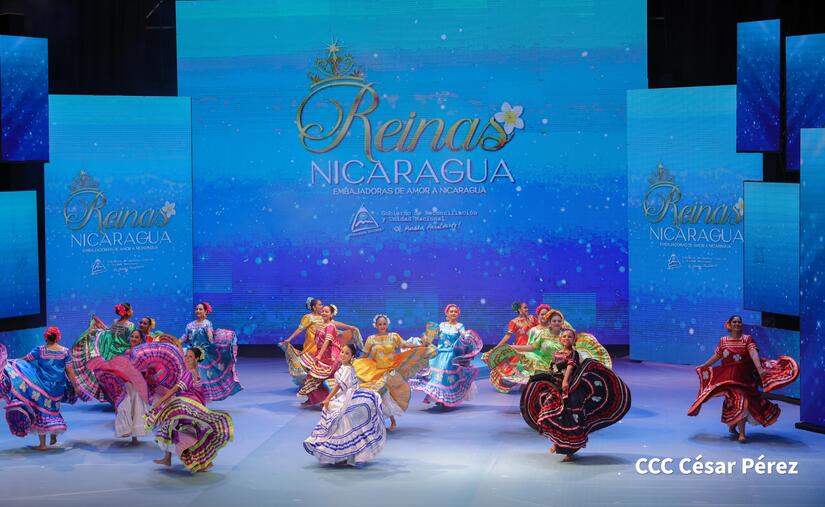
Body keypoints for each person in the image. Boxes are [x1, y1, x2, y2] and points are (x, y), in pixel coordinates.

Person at [520, 329, 631, 461]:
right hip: (556, 384)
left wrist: (566, 381)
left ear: (574, 340)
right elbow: (553, 368)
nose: (566, 338)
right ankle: (558, 442)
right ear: (560, 339)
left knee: (571, 419)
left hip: (570, 387)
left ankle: (569, 451)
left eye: (569, 337)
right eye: (564, 336)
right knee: (553, 414)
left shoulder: (574, 353)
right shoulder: (557, 353)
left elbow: (570, 367)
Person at [688, 315, 799, 442]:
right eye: (734, 322)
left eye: (739, 322)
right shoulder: (723, 341)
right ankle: (742, 434)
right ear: (730, 325)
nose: (737, 324)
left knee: (747, 402)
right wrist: (705, 365)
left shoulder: (747, 339)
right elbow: (717, 356)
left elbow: (753, 354)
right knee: (739, 401)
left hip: (745, 378)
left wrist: (759, 368)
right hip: (729, 378)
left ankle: (734, 425)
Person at [147, 347, 233, 472]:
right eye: (186, 356)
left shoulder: (190, 373)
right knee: (174, 428)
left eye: (190, 356)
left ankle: (200, 462)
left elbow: (174, 390)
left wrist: (160, 402)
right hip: (193, 407)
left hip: (186, 408)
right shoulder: (198, 372)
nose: (187, 358)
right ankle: (169, 458)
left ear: (197, 359)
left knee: (178, 431)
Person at [0, 327, 83, 450]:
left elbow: (25, 360)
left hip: (42, 385)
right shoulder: (65, 352)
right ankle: (54, 434)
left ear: (46, 337)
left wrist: (12, 364)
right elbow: (70, 371)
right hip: (58, 388)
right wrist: (76, 387)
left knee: (41, 410)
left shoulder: (40, 350)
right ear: (58, 337)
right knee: (53, 409)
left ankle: (42, 445)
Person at [304, 344, 386, 466]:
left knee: (342, 425)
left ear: (351, 357)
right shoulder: (344, 367)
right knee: (343, 426)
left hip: (346, 398)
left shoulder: (347, 369)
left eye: (346, 353)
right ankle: (344, 456)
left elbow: (338, 385)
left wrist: (327, 399)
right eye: (342, 352)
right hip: (343, 397)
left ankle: (344, 456)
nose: (342, 354)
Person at [354, 314, 433, 431]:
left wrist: (420, 345)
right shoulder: (371, 339)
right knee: (377, 396)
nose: (382, 326)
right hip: (375, 371)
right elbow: (365, 355)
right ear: (375, 325)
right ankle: (373, 421)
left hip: (391, 371)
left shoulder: (393, 337)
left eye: (384, 324)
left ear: (387, 324)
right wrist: (354, 362)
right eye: (380, 324)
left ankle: (392, 421)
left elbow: (405, 344)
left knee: (388, 396)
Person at [410, 304, 483, 407]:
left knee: (445, 376)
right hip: (439, 354)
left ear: (458, 314)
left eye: (455, 312)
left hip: (451, 356)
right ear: (447, 313)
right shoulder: (441, 325)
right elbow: (432, 337)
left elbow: (464, 337)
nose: (453, 313)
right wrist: (424, 341)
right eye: (451, 311)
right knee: (435, 376)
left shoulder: (459, 326)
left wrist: (466, 337)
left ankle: (444, 399)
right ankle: (439, 398)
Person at [89, 329, 150, 445]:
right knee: (123, 407)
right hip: (125, 385)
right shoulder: (126, 352)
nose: (134, 339)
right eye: (132, 336)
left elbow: (145, 370)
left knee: (136, 410)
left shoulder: (143, 354)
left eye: (136, 337)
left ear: (141, 340)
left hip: (137, 386)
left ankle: (135, 437)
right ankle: (125, 430)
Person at [70, 303, 136, 400]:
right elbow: (130, 340)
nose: (133, 311)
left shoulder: (115, 322)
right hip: (122, 353)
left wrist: (97, 328)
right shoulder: (131, 325)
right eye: (131, 309)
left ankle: (111, 396)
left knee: (108, 376)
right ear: (127, 312)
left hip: (109, 353)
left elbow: (108, 334)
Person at [181, 302, 242, 401]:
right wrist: (176, 342)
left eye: (200, 309)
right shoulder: (190, 325)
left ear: (206, 312)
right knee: (188, 373)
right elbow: (185, 336)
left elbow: (210, 337)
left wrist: (214, 342)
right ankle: (191, 396)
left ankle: (200, 397)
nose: (198, 311)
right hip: (191, 353)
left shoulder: (207, 324)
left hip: (202, 354)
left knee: (201, 375)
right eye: (196, 309)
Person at [483, 301, 539, 393]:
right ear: (519, 310)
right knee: (521, 367)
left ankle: (527, 386)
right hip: (520, 348)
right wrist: (497, 347)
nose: (527, 309)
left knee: (531, 367)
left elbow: (540, 328)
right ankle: (523, 386)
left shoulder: (532, 319)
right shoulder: (514, 322)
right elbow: (508, 336)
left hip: (532, 348)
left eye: (527, 307)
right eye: (525, 307)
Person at [297, 304, 343, 405]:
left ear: (331, 314)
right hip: (320, 353)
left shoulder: (330, 326)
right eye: (323, 311)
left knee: (319, 377)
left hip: (328, 356)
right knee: (312, 376)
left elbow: (327, 342)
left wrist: (319, 356)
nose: (324, 313)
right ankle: (313, 399)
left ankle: (326, 400)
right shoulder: (322, 325)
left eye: (327, 312)